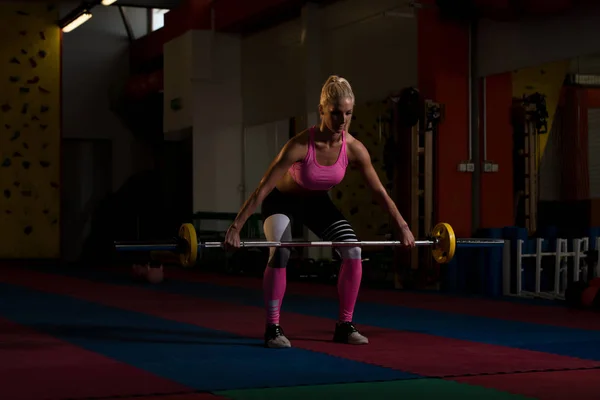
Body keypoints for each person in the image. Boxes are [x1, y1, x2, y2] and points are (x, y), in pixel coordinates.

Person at [225, 75, 415, 349]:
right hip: (281, 201)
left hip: (316, 203)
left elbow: (379, 192)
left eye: (348, 113)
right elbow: (262, 189)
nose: (342, 120)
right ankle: (272, 328)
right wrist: (235, 228)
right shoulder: (300, 145)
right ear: (322, 110)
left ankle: (344, 325)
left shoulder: (354, 149)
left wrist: (403, 226)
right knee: (281, 249)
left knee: (353, 251)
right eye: (336, 113)